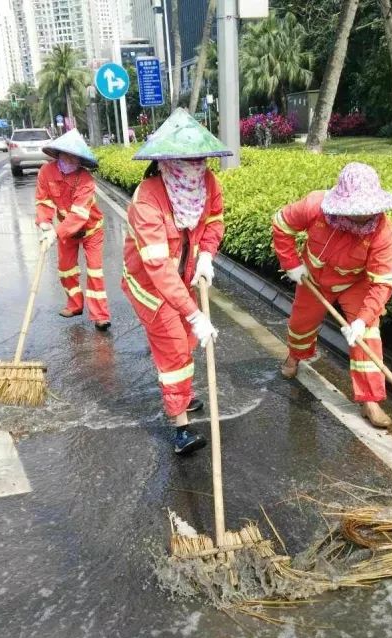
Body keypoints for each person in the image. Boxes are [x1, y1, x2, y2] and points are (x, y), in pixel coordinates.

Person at [121, 108, 231, 455]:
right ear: (167, 163)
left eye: (200, 161)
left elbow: (214, 221)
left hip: (182, 279)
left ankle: (183, 394)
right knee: (174, 349)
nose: (195, 169)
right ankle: (180, 428)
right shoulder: (147, 199)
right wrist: (195, 314)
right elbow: (156, 266)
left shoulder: (207, 183)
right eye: (187, 162)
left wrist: (206, 255)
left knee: (187, 340)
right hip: (151, 288)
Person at [272, 162, 392, 429]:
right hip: (313, 278)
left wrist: (362, 320)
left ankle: (370, 400)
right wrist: (292, 264)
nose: (364, 216)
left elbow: (382, 282)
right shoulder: (314, 206)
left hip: (356, 283)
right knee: (300, 325)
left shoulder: (382, 230)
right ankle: (295, 355)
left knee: (368, 335)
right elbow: (281, 224)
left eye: (368, 210)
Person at [35, 128, 112, 331]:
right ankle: (75, 305)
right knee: (66, 268)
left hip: (91, 230)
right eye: (66, 155)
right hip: (65, 229)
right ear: (59, 154)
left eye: (75, 157)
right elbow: (43, 201)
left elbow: (79, 215)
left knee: (95, 271)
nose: (70, 159)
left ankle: (100, 315)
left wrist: (55, 233)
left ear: (80, 160)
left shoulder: (85, 179)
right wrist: (45, 224)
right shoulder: (46, 172)